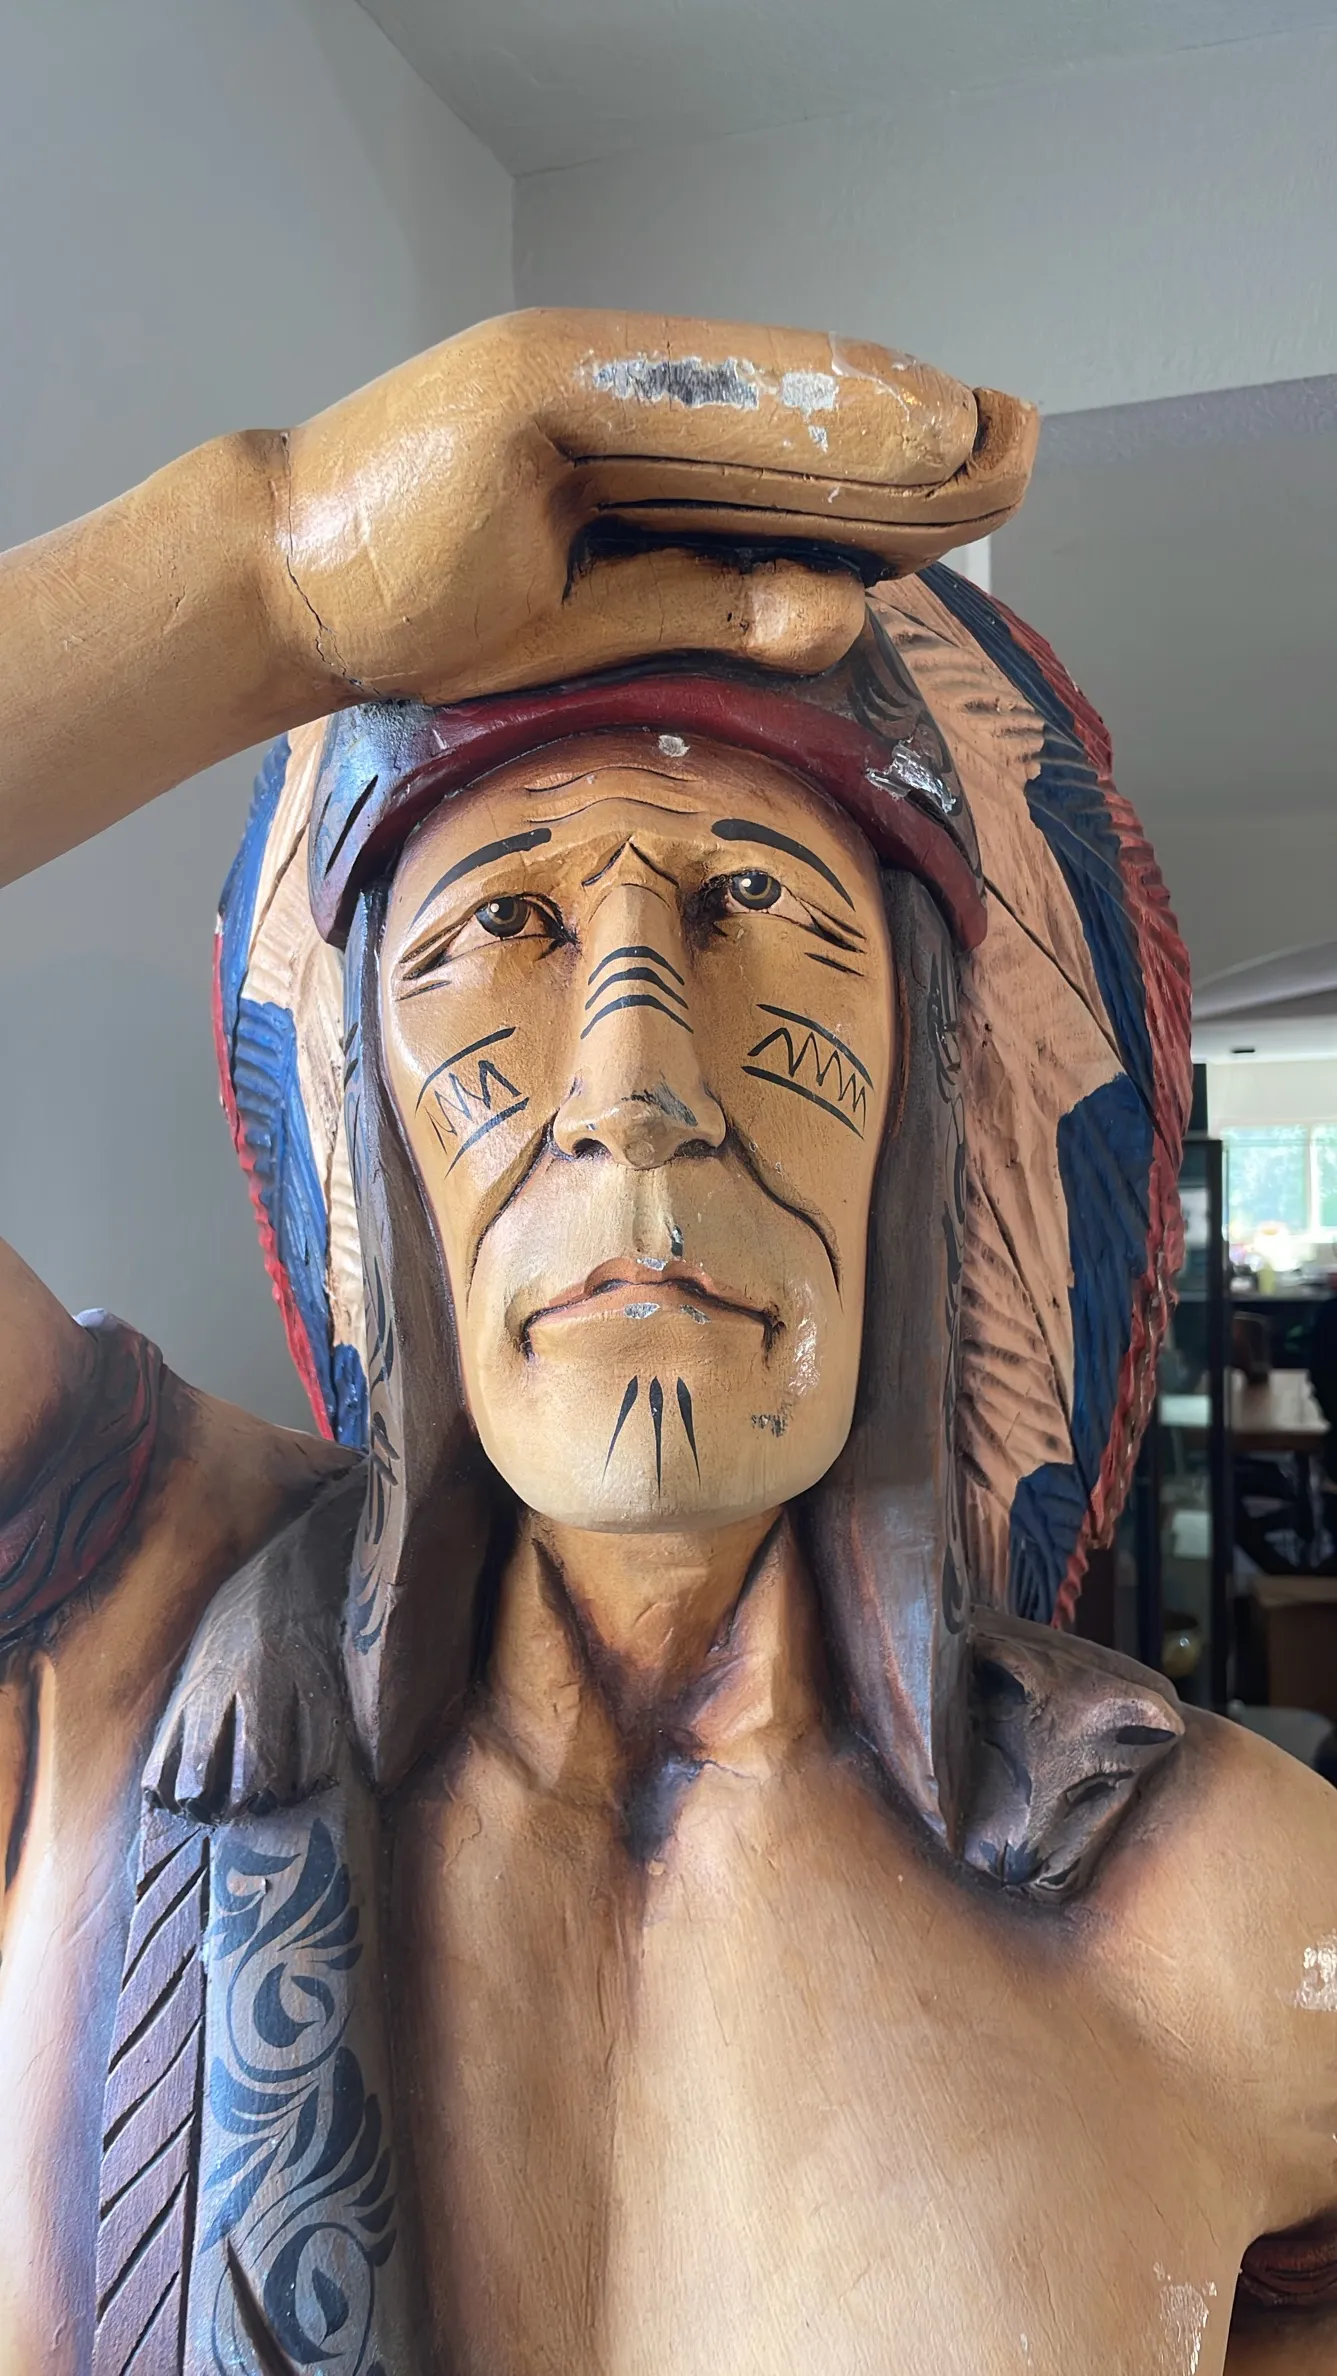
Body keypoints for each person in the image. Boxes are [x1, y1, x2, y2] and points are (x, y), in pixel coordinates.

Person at [1, 310, 1335, 2376]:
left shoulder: (1231, 1917)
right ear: (369, 1130)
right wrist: (265, 570)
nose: (636, 1085)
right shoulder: (107, 1663)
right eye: (499, 931)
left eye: (753, 908)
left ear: (928, 1103)